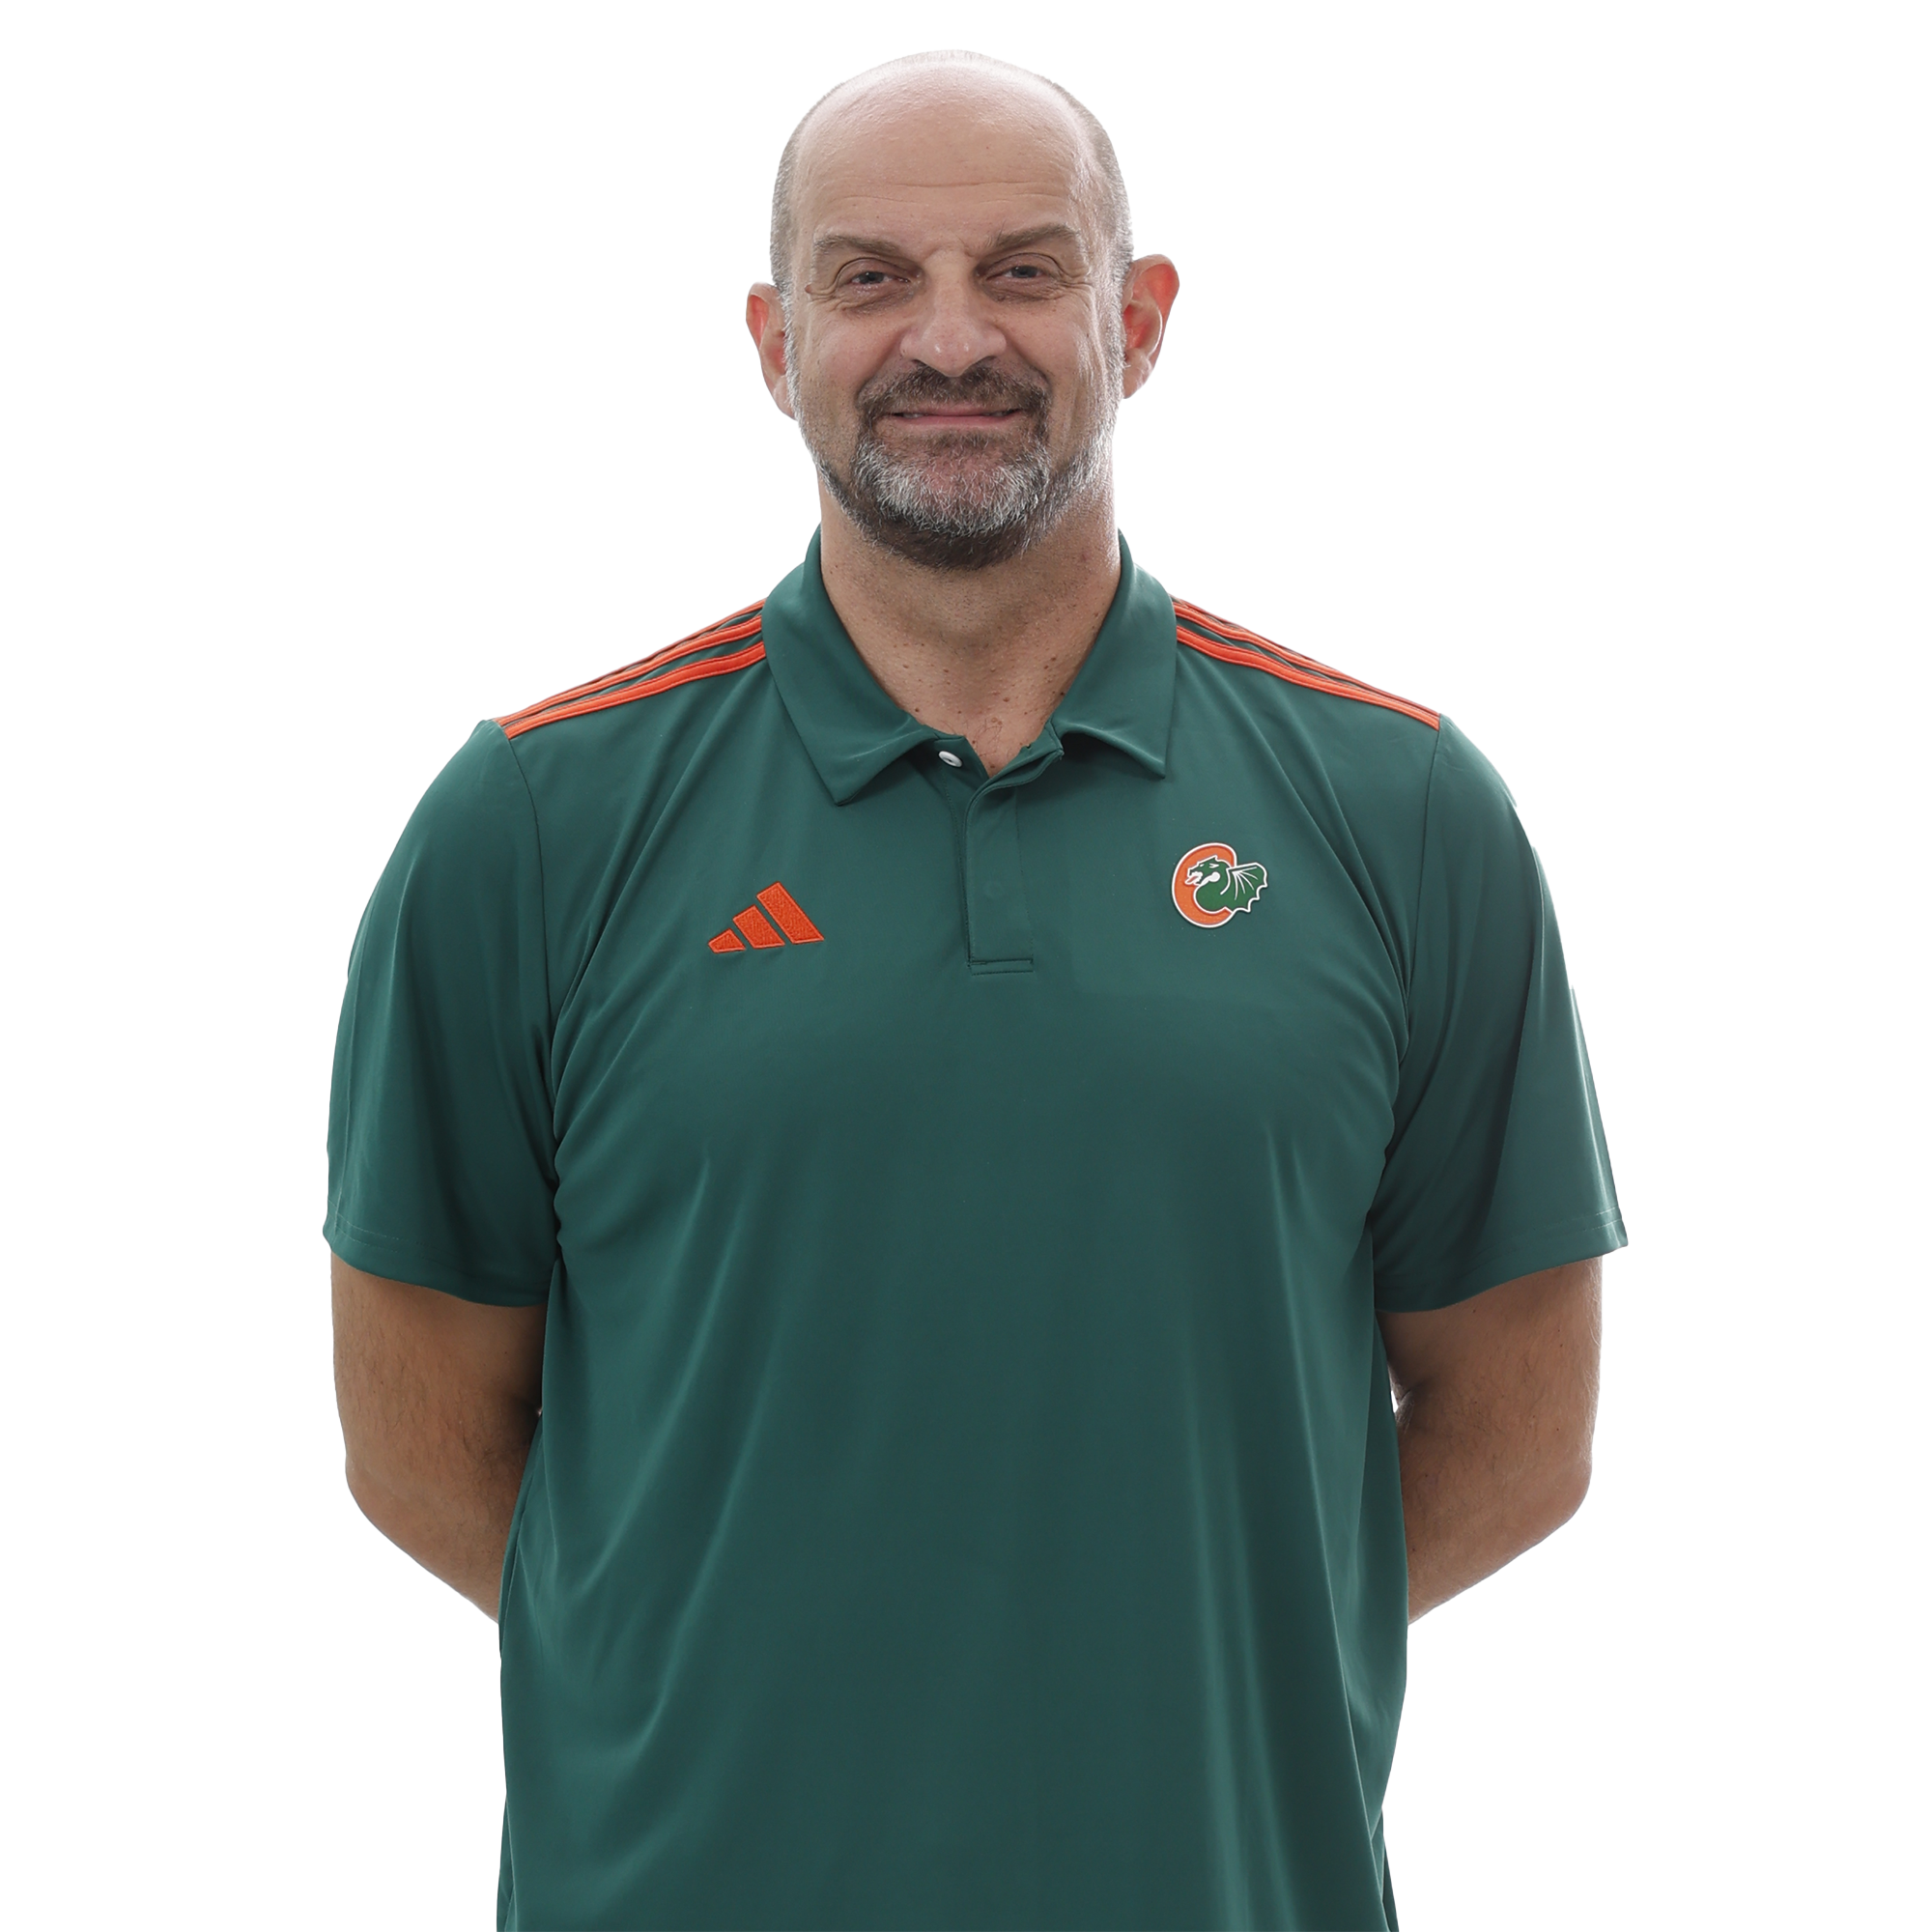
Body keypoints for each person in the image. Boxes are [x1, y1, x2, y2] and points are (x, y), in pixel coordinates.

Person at [327, 48, 1626, 1932]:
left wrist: (1170, 1660)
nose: (949, 338)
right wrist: (735, 1671)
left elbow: (1519, 1430)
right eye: (871, 278)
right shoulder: (531, 821)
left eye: (1022, 270)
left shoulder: (1403, 809)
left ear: (1138, 320)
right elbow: (417, 1438)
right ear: (774, 341)